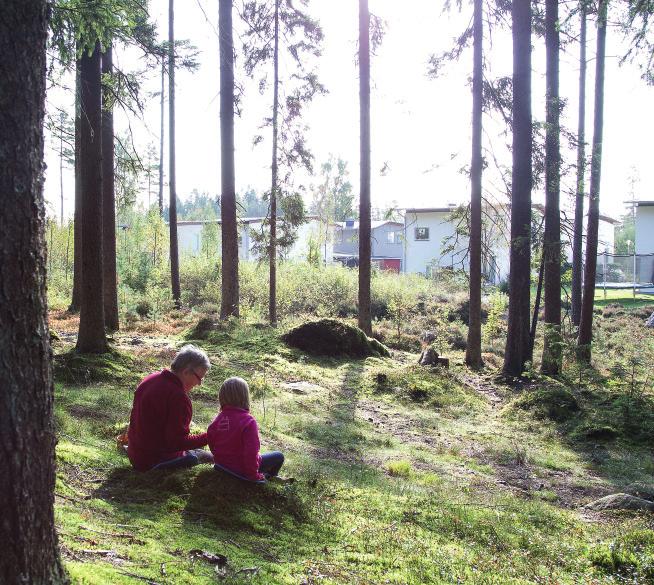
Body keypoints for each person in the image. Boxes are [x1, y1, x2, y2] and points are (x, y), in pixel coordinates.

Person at [127, 344, 214, 471]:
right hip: (155, 462)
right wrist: (210, 436)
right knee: (211, 458)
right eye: (199, 378)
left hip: (135, 455)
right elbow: (177, 443)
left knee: (199, 452)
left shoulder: (150, 379)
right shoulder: (178, 397)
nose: (200, 383)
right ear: (186, 372)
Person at [207, 377, 289, 483]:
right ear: (245, 397)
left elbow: (211, 444)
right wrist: (253, 475)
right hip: (242, 471)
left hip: (222, 467)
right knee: (279, 456)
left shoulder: (216, 421)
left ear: (222, 397)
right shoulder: (248, 421)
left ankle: (267, 476)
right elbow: (251, 452)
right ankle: (270, 477)